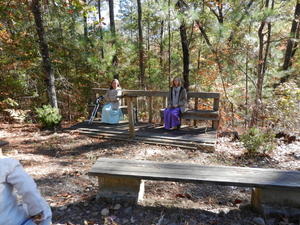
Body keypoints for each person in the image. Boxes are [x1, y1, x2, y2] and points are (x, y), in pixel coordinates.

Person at [0, 156, 52, 225]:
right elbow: (28, 190)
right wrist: (37, 212)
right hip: (13, 221)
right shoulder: (6, 164)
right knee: (45, 210)